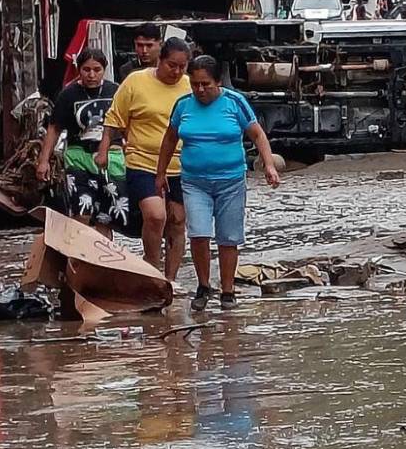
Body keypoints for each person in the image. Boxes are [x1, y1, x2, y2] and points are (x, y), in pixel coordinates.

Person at [157, 56, 281, 312]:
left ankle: (227, 290)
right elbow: (169, 140)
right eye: (195, 84)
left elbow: (257, 134)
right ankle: (203, 286)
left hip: (231, 181)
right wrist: (160, 174)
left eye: (206, 84)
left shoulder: (235, 102)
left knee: (228, 236)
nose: (200, 90)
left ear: (218, 82)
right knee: (199, 233)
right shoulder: (183, 105)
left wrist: (268, 164)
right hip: (194, 181)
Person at [97, 37, 191, 278]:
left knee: (177, 221)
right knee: (155, 214)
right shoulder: (136, 82)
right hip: (143, 161)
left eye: (182, 67)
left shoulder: (191, 87)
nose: (177, 72)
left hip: (182, 164)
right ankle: (151, 267)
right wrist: (104, 150)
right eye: (172, 65)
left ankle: (170, 280)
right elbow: (114, 119)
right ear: (160, 61)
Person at [36, 48, 128, 236]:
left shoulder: (116, 91)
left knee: (107, 216)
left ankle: (103, 260)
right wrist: (44, 161)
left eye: (97, 69)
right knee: (81, 211)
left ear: (105, 69)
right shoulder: (68, 94)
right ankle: (77, 258)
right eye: (86, 70)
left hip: (111, 158)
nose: (92, 75)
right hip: (78, 157)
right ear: (79, 69)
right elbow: (54, 128)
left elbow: (128, 123)